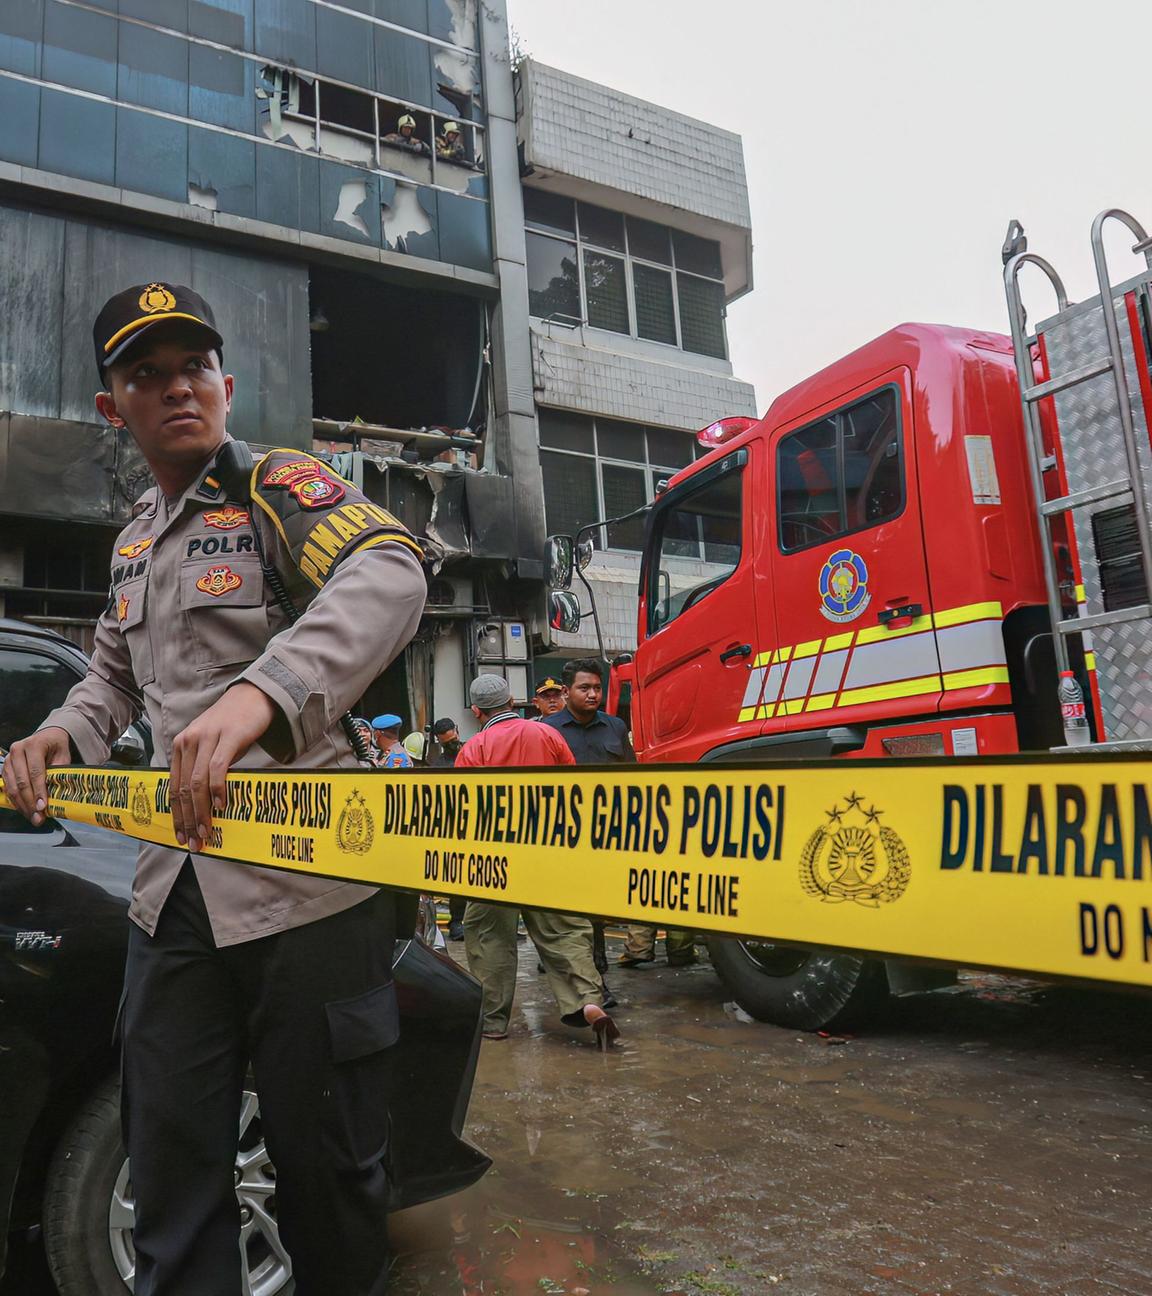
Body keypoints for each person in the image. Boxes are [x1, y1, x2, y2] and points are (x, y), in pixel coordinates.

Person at [1, 282, 426, 1295]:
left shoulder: (279, 487)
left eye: (193, 367)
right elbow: (109, 676)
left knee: (326, 1184)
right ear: (115, 409)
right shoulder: (135, 542)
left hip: (310, 890)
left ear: (225, 384)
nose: (177, 388)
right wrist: (60, 733)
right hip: (173, 896)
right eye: (148, 374)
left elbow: (390, 572)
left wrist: (265, 695)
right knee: (170, 1177)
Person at [455, 674, 619, 1048]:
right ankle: (589, 1001)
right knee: (564, 931)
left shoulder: (474, 749)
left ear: (477, 711)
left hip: (494, 859)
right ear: (512, 703)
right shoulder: (547, 734)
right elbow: (572, 788)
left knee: (488, 937)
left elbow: (464, 809)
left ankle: (494, 1022)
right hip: (548, 851)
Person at [542, 658, 698, 975]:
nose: (592, 694)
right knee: (568, 902)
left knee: (600, 898)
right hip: (566, 830)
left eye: (597, 688)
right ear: (566, 691)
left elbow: (631, 776)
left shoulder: (615, 726)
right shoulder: (547, 730)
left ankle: (598, 960)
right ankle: (572, 960)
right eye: (584, 688)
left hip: (609, 828)